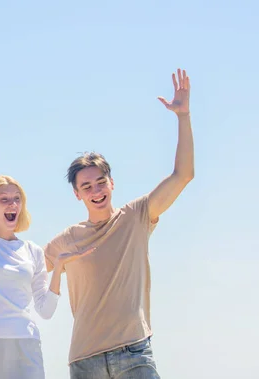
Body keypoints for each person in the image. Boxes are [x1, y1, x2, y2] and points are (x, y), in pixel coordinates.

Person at [44, 69, 194, 379]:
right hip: (84, 362)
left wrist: (183, 116)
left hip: (133, 354)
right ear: (77, 194)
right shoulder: (68, 239)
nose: (96, 191)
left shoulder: (137, 216)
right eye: (87, 187)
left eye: (101, 183)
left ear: (112, 183)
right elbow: (22, 265)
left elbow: (183, 175)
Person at [0, 88, 68, 379]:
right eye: (4, 199)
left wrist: (59, 272)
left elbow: (44, 310)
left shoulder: (32, 251)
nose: (12, 204)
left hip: (25, 344)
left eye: (16, 199)